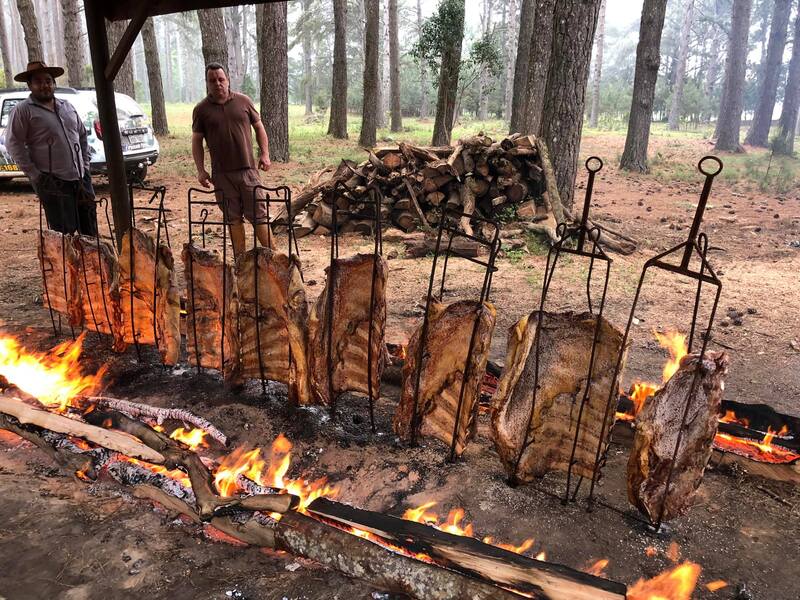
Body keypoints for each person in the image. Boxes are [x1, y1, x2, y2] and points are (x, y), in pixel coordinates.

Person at [192, 63, 274, 258]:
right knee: (233, 219)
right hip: (221, 175)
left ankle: (274, 259)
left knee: (259, 216)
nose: (217, 83)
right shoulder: (201, 110)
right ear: (207, 83)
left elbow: (259, 127)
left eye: (221, 79)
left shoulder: (244, 102)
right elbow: (196, 140)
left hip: (248, 171)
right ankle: (241, 262)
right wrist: (201, 170)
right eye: (212, 80)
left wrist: (265, 154)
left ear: (227, 80)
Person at [6, 61, 97, 236]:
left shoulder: (67, 106)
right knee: (64, 234)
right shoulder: (23, 111)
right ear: (30, 85)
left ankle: (90, 263)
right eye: (38, 81)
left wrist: (85, 165)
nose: (44, 85)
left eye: (48, 81)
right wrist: (35, 174)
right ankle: (68, 264)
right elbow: (13, 144)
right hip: (52, 182)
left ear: (53, 83)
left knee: (90, 230)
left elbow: (82, 135)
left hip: (81, 178)